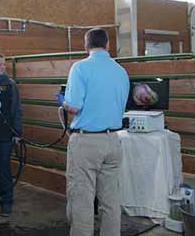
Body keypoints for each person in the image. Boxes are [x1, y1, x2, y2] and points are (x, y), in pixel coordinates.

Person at [57, 28, 130, 236]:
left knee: (82, 200)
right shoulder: (121, 71)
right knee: (111, 200)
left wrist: (63, 103)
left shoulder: (80, 68)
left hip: (86, 142)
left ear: (86, 46)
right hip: (114, 140)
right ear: (108, 45)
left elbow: (75, 106)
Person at [0, 51, 23, 218]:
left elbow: (16, 109)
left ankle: (6, 202)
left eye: (3, 64)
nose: (3, 67)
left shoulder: (11, 85)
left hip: (6, 134)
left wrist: (17, 132)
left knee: (4, 169)